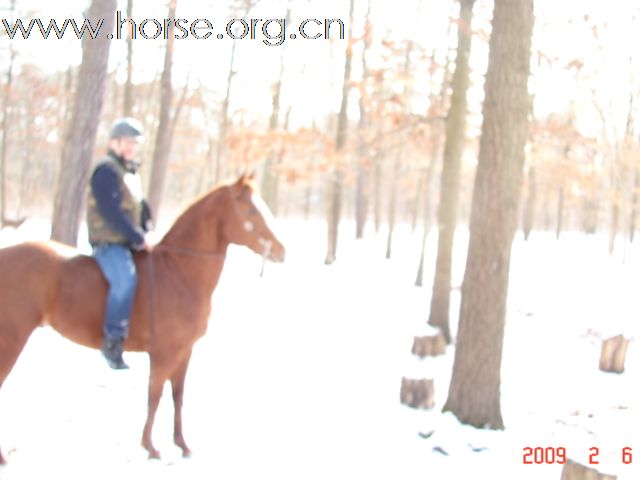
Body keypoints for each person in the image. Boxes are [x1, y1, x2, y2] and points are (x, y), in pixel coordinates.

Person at [86, 117, 152, 369]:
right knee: (125, 280)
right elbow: (111, 212)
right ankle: (112, 339)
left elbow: (142, 209)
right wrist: (137, 237)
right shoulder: (106, 171)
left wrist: (149, 231)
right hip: (108, 242)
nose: (131, 148)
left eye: (135, 144)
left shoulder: (129, 173)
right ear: (114, 142)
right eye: (127, 143)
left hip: (128, 243)